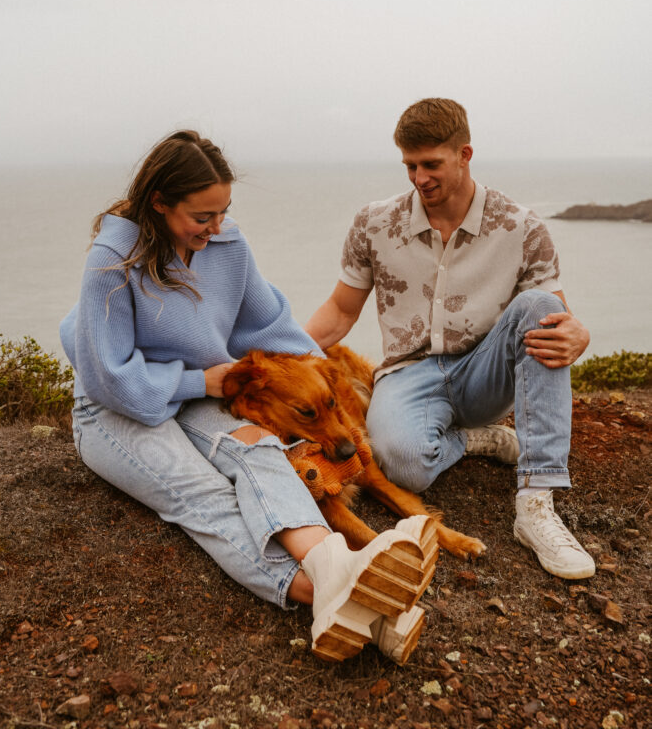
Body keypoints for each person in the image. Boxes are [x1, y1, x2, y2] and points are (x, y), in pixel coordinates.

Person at [60, 130, 435, 664]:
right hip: (116, 407)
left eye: (223, 212)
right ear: (159, 203)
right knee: (202, 493)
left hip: (195, 392)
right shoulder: (112, 263)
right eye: (202, 217)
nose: (216, 230)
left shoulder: (226, 245)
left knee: (259, 450)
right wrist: (201, 383)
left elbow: (270, 324)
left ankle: (334, 568)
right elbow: (113, 381)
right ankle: (342, 604)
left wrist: (326, 384)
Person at [305, 99, 596, 580]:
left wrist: (579, 331)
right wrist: (277, 356)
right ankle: (477, 441)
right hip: (409, 375)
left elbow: (556, 317)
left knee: (541, 308)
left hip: (482, 371)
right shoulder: (374, 224)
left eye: (432, 164)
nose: (420, 178)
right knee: (402, 466)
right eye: (410, 166)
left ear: (465, 154)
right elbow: (339, 312)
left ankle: (536, 504)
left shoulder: (522, 228)